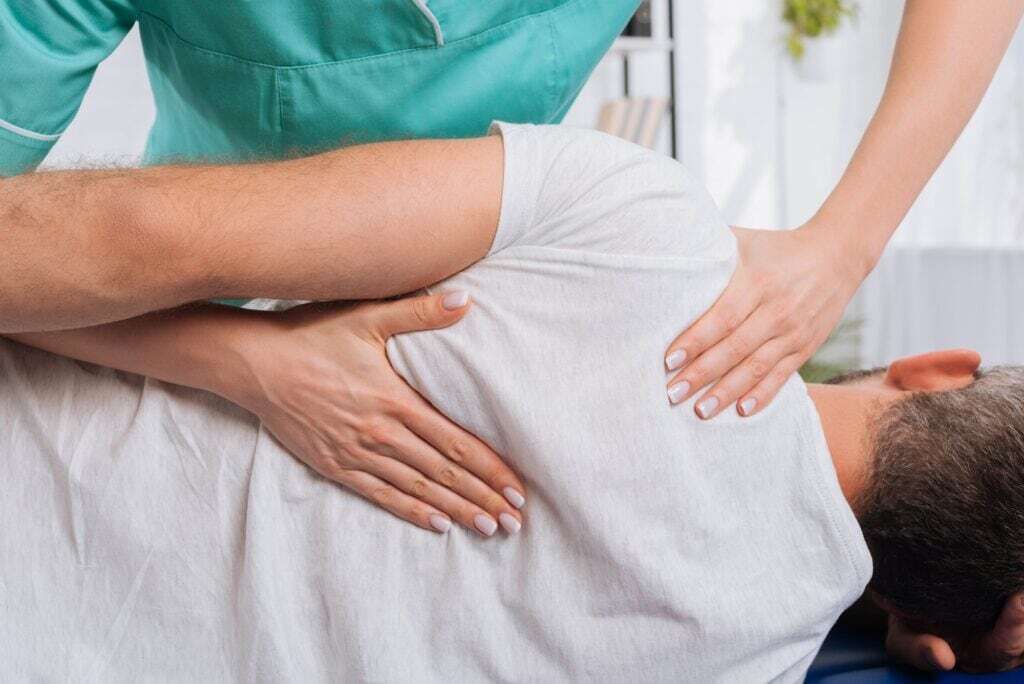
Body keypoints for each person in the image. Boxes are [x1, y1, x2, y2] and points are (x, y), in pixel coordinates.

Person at [4, 1, 1024, 668]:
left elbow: (122, 241)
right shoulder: (752, 655)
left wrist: (846, 244)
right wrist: (237, 356)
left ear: (934, 367)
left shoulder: (639, 226)